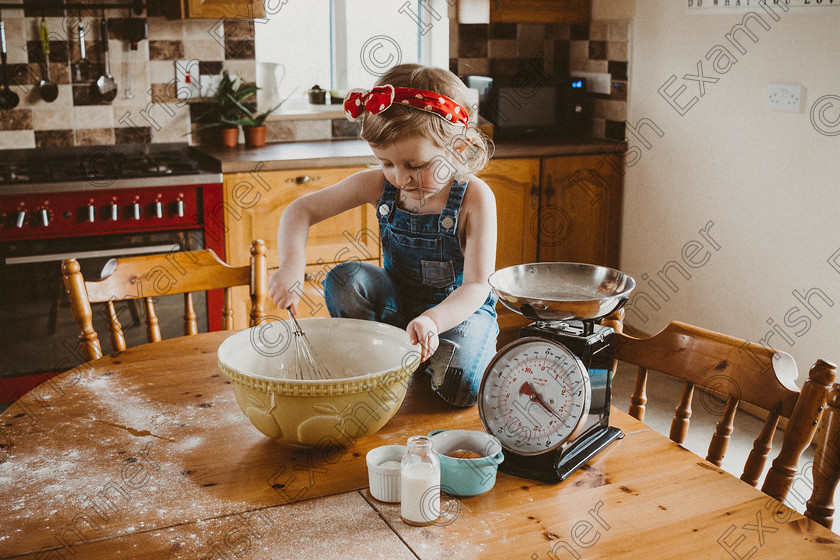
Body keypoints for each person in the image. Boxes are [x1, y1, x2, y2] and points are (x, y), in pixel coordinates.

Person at [268, 63, 498, 407]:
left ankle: (417, 357)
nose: (399, 177)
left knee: (459, 387)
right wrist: (290, 265)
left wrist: (433, 320)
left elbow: (477, 287)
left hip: (457, 314)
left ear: (459, 148)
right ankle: (386, 354)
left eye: (415, 165)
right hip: (397, 307)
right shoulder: (377, 184)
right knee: (345, 280)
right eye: (386, 162)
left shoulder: (475, 197)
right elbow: (300, 211)